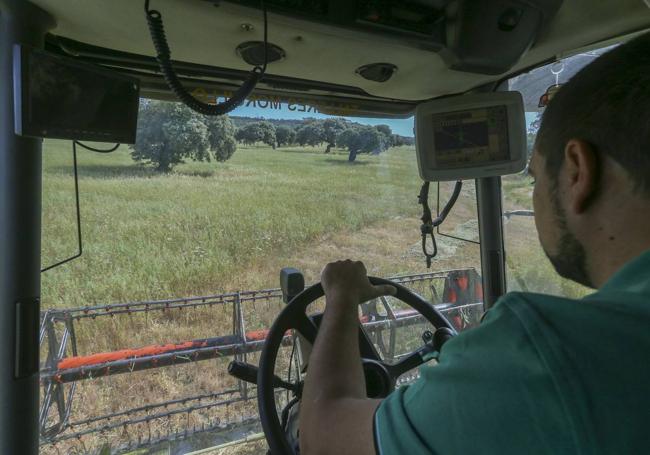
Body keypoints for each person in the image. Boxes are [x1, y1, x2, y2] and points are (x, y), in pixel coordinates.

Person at [299, 32, 650, 455]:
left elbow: (322, 432)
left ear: (577, 171)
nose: (536, 192)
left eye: (536, 177)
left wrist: (340, 296)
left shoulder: (538, 355)